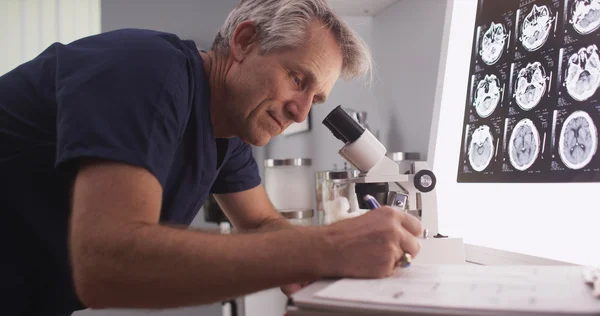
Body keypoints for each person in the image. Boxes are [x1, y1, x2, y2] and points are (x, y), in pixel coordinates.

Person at [0, 0, 423, 315]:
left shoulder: (227, 132)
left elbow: (261, 224)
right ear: (243, 41)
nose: (299, 111)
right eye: (297, 79)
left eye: (315, 99)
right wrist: (325, 247)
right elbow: (107, 263)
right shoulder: (148, 70)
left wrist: (337, 258)